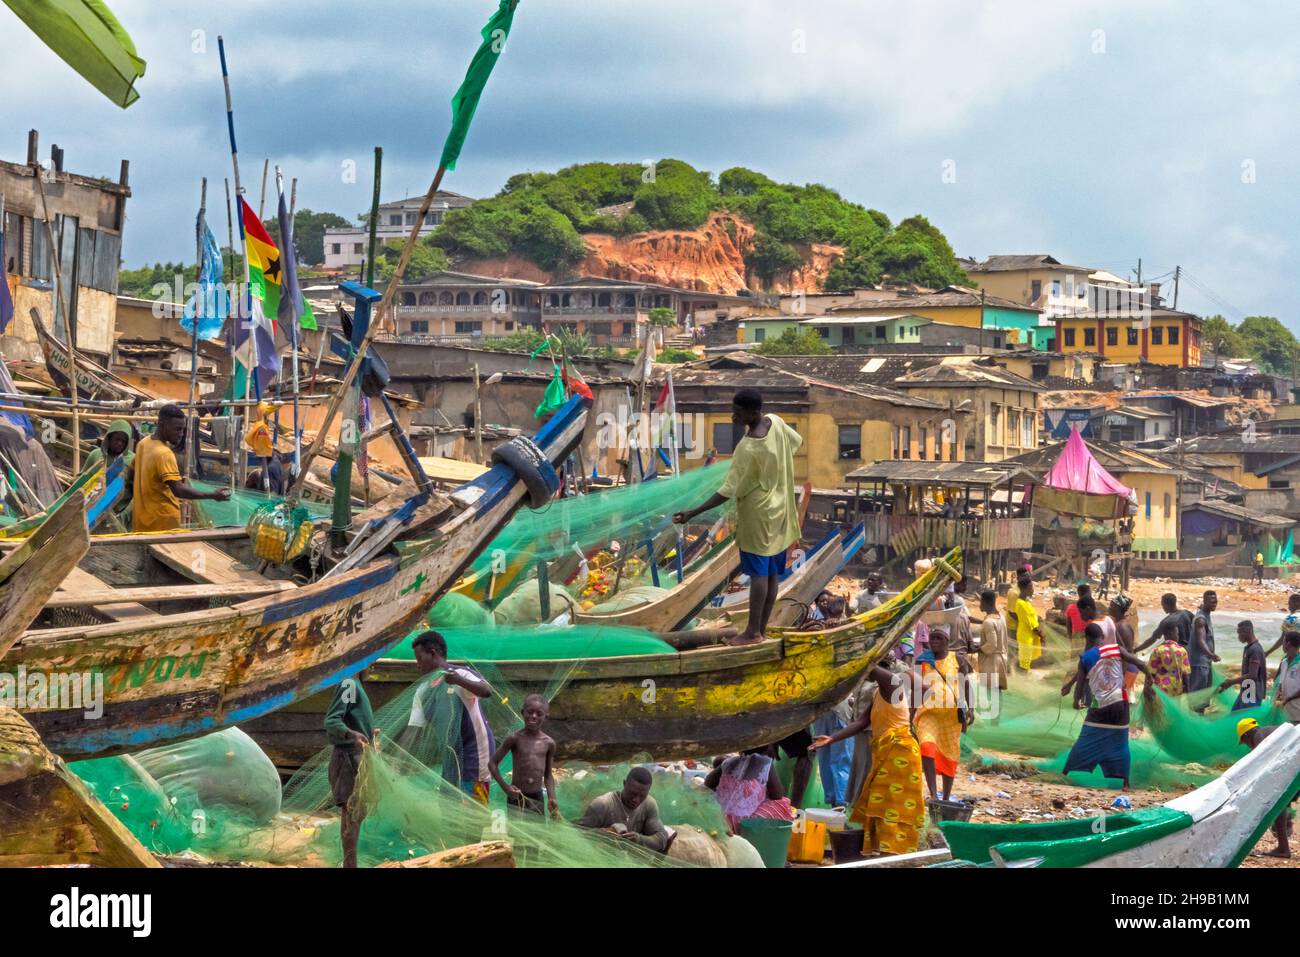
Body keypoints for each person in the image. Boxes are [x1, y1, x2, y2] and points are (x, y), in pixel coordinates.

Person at [672, 389, 801, 645]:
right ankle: (760, 630)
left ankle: (752, 632)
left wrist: (693, 512)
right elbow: (795, 443)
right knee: (773, 572)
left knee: (758, 575)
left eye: (738, 412)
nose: (733, 416)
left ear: (753, 413)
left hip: (757, 514)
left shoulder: (748, 447)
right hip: (781, 509)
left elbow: (727, 491)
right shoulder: (776, 422)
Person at [810, 662, 925, 856]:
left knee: (893, 805)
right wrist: (832, 738)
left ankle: (892, 854)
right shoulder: (878, 693)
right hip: (886, 751)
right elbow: (863, 722)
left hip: (900, 754)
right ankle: (882, 851)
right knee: (879, 803)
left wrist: (863, 658)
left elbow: (869, 665)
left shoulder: (893, 684)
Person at [1060, 622, 1155, 790]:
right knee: (1120, 743)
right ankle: (1126, 783)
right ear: (1102, 638)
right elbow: (1139, 663)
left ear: (1087, 638)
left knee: (1086, 739)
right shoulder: (1116, 649)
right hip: (1120, 704)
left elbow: (1080, 687)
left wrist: (1076, 702)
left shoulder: (1085, 658)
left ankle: (1065, 773)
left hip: (1100, 707)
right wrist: (1149, 676)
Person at [406, 631, 495, 802]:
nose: (417, 665)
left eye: (419, 659)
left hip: (475, 754)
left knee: (476, 810)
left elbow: (486, 690)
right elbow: (413, 730)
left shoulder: (461, 674)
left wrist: (458, 681)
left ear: (433, 653)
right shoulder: (423, 691)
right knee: (449, 805)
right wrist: (396, 759)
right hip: (451, 756)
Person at [131, 404, 229, 532]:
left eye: (183, 429)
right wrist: (212, 495)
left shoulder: (143, 443)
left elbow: (132, 473)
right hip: (163, 524)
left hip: (142, 524)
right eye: (177, 429)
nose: (181, 434)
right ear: (161, 424)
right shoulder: (164, 454)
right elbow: (178, 490)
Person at [324, 675, 377, 869]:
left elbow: (350, 720)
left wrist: (367, 732)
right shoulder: (349, 682)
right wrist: (351, 734)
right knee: (353, 813)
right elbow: (332, 720)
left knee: (353, 814)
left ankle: (349, 864)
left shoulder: (355, 684)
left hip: (355, 756)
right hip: (348, 759)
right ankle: (350, 864)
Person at [913, 627, 973, 802]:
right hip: (928, 714)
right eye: (932, 638)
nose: (934, 641)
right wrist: (912, 713)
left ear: (947, 640)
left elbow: (966, 684)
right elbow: (917, 689)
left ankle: (945, 797)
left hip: (951, 718)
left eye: (939, 638)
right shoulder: (922, 660)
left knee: (950, 754)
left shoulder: (957, 659)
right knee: (926, 747)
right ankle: (933, 793)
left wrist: (971, 709)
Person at [490, 694, 558, 816]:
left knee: (536, 831)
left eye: (539, 714)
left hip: (536, 796)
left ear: (546, 717)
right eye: (530, 712)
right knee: (515, 832)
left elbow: (548, 775)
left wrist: (552, 797)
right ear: (523, 713)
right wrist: (506, 788)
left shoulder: (549, 743)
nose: (533, 716)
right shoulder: (514, 739)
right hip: (516, 795)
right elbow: (492, 764)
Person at [576, 767, 671, 853]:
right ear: (624, 784)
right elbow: (577, 836)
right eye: (632, 793)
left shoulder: (649, 804)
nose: (636, 800)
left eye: (642, 796)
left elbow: (661, 838)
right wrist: (605, 833)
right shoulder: (602, 805)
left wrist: (638, 839)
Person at [1238, 718, 1293, 859]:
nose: (1248, 747)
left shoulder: (1259, 738)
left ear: (1246, 736)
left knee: (1278, 803)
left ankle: (1283, 848)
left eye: (1244, 743)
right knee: (1281, 801)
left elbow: (1267, 768)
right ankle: (1283, 845)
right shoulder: (1269, 731)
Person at [705, 752, 794, 834]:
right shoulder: (766, 763)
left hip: (722, 820)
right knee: (781, 804)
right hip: (745, 825)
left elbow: (708, 783)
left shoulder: (729, 762)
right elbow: (777, 795)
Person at [810, 695, 855, 807]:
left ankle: (835, 808)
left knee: (826, 761)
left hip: (819, 710)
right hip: (840, 710)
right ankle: (840, 808)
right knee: (842, 762)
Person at [1218, 620, 1269, 711]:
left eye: (1240, 633)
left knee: (1246, 721)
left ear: (1248, 631)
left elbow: (1252, 676)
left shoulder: (1255, 649)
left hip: (1252, 694)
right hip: (1246, 691)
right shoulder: (1250, 648)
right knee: (1234, 716)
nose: (1238, 637)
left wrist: (1231, 682)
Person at [1146, 620, 1192, 697]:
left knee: (1162, 708)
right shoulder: (1182, 651)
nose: (1178, 636)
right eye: (1177, 634)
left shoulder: (1157, 650)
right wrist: (1187, 690)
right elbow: (1186, 674)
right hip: (1177, 688)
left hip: (1161, 688)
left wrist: (1147, 688)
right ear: (1171, 633)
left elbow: (1151, 673)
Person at [976, 587, 1009, 691]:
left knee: (989, 692)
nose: (979, 605)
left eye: (981, 602)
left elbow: (991, 645)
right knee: (997, 692)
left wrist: (977, 649)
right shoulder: (1001, 617)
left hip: (991, 663)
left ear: (986, 602)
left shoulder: (988, 622)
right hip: (1002, 659)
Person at [1013, 575, 1046, 671]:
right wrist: (1041, 635)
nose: (1032, 590)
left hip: (1029, 635)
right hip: (1025, 636)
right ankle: (1023, 680)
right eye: (1031, 587)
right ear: (1025, 589)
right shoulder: (1021, 604)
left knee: (1027, 660)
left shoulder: (1026, 602)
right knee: (1025, 662)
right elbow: (1030, 623)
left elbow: (1032, 616)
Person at [1189, 591, 1220, 693]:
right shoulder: (1201, 620)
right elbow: (1201, 641)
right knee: (1198, 696)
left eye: (1216, 601)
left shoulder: (1205, 614)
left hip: (1205, 662)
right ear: (1205, 601)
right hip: (1199, 663)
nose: (1214, 604)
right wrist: (1211, 655)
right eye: (1211, 602)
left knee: (1204, 696)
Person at [1109, 595, 1140, 694]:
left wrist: (1121, 674)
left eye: (1111, 606)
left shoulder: (1122, 626)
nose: (1109, 608)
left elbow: (1127, 652)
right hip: (1123, 668)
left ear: (1118, 608)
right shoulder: (1119, 624)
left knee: (1119, 702)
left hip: (1126, 669)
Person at [1273, 632, 1300, 722]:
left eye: (1283, 642)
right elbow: (1282, 683)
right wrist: (1279, 694)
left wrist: (1289, 698)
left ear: (1288, 643)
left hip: (1297, 711)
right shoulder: (1284, 663)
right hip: (1285, 711)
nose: (1282, 645)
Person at [1264, 594, 1300, 659]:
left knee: (1283, 667)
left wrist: (1268, 652)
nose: (1288, 607)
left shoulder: (1291, 618)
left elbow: (1282, 639)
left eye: (1289, 604)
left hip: (1294, 654)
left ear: (1297, 604)